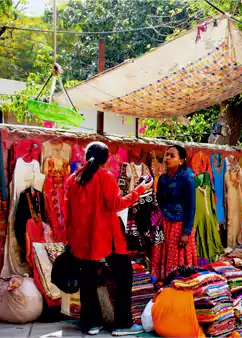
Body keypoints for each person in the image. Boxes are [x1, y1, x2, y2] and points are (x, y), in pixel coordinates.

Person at [65, 142, 152, 336]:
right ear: (106, 159)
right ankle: (123, 323)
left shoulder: (73, 179)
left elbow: (67, 212)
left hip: (81, 239)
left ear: (87, 157)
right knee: (124, 275)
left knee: (87, 278)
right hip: (107, 237)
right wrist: (139, 190)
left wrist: (69, 239)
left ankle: (90, 324)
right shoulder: (106, 177)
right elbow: (116, 204)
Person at [153, 145, 197, 280]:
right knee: (162, 255)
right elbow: (159, 202)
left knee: (177, 258)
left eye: (172, 156)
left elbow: (191, 207)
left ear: (181, 160)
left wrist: (186, 232)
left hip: (180, 224)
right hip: (164, 223)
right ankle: (162, 284)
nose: (167, 158)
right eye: (167, 155)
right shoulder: (162, 179)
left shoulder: (187, 179)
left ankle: (178, 284)